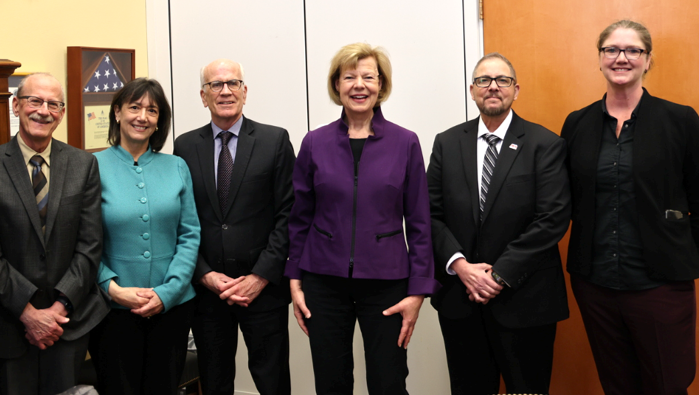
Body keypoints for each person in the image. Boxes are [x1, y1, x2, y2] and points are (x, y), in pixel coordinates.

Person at [562, 20, 699, 394]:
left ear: (648, 60)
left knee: (667, 383)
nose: (621, 58)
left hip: (660, 285)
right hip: (595, 284)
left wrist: (677, 258)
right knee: (617, 385)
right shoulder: (577, 124)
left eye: (633, 50)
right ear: (600, 59)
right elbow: (563, 199)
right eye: (612, 50)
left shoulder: (680, 120)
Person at [285, 43, 439, 394]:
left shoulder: (405, 142)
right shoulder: (314, 142)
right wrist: (294, 277)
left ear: (381, 85)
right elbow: (299, 217)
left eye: (368, 77)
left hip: (387, 283)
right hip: (323, 281)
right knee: (331, 379)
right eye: (349, 76)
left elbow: (419, 222)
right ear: (336, 85)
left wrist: (418, 290)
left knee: (388, 381)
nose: (359, 85)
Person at [427, 53, 571, 394]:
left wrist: (498, 274)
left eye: (502, 80)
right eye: (483, 80)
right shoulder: (447, 143)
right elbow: (429, 214)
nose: (493, 87)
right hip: (460, 301)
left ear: (515, 90)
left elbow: (551, 219)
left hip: (526, 300)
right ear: (472, 90)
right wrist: (460, 266)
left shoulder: (545, 144)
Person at [0, 73, 108, 395]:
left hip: (66, 326)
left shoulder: (83, 164)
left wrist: (58, 309)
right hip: (9, 327)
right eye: (34, 100)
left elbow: (90, 244)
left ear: (60, 113)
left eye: (53, 104)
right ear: (16, 105)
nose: (43, 111)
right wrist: (29, 312)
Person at [174, 59, 294, 395]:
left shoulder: (274, 140)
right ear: (203, 95)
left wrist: (260, 277)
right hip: (209, 292)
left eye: (232, 83)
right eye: (215, 84)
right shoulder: (184, 147)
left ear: (244, 91)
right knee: (214, 381)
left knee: (272, 382)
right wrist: (203, 274)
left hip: (263, 289)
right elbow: (180, 217)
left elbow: (289, 214)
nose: (224, 91)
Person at [88, 77, 200, 394]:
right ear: (117, 113)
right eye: (134, 107)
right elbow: (84, 241)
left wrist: (169, 292)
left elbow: (190, 234)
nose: (142, 116)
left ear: (159, 120)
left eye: (152, 110)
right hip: (113, 312)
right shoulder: (91, 166)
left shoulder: (177, 166)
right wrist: (112, 288)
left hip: (173, 309)